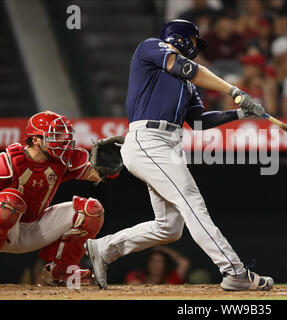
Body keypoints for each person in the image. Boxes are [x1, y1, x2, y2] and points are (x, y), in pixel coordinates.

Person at [85, 19, 274, 292]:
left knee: (169, 227)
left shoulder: (187, 85)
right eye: (195, 41)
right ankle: (234, 271)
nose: (196, 47)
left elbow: (199, 121)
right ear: (182, 38)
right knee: (193, 204)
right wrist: (233, 91)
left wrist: (241, 113)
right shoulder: (150, 48)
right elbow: (186, 67)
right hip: (149, 140)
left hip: (168, 145)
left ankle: (103, 248)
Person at [0, 111, 116, 285]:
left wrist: (111, 165)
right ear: (35, 139)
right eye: (55, 136)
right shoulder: (9, 160)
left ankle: (60, 273)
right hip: (7, 229)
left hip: (34, 228)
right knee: (10, 201)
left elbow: (97, 174)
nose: (62, 140)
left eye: (63, 135)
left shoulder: (62, 160)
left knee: (92, 211)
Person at [125, 246, 190, 285]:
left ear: (165, 265)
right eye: (152, 261)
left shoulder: (172, 280)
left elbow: (184, 263)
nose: (155, 265)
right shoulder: (137, 276)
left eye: (159, 262)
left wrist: (162, 248)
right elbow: (133, 285)